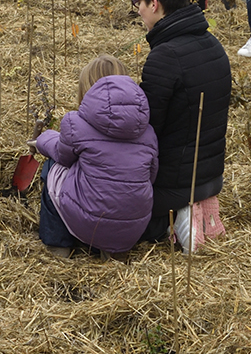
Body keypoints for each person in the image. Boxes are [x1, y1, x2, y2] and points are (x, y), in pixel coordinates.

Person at [133, 0, 231, 247]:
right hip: (210, 178)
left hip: (176, 186)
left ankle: (172, 221)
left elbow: (147, 127)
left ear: (155, 4)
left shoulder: (165, 57)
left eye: (138, 2)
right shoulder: (213, 45)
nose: (137, 10)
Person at [31, 55, 158, 258]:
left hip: (90, 223)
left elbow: (63, 156)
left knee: (52, 167)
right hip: (131, 229)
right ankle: (113, 251)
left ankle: (57, 244)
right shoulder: (146, 131)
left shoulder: (76, 123)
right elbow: (151, 176)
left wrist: (44, 139)